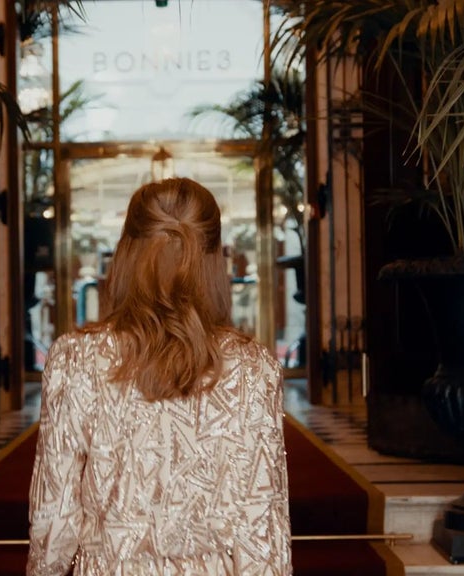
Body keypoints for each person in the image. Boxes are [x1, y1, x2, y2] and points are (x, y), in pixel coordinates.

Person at [26, 177, 292, 575]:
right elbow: (261, 524)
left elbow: (56, 512)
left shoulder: (75, 359)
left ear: (127, 252)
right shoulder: (253, 368)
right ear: (214, 259)